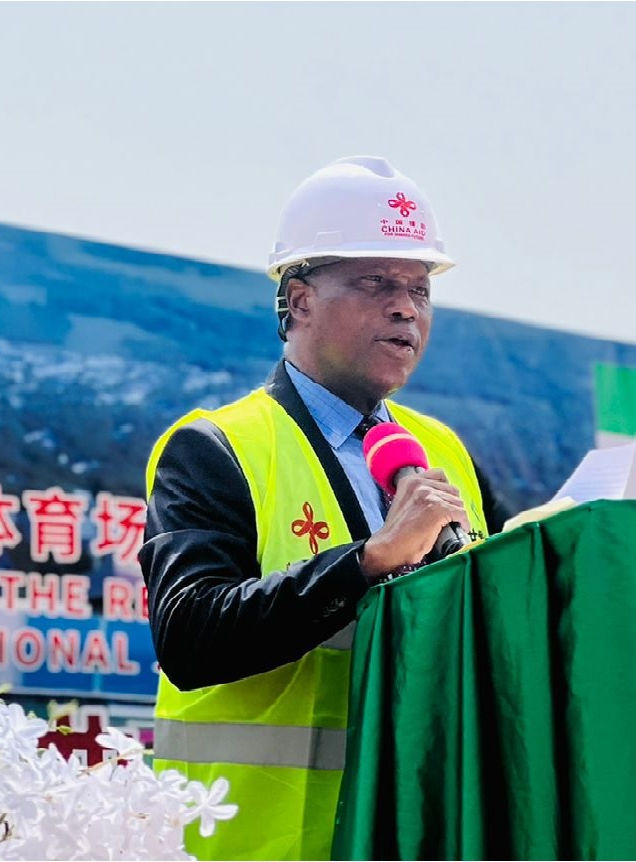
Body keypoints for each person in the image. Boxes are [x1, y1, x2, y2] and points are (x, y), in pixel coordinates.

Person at [138, 155, 506, 860]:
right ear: (300, 300)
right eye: (376, 283)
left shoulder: (446, 454)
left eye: (420, 289)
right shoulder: (217, 448)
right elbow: (190, 636)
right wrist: (369, 562)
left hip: (413, 835)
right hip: (257, 844)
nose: (406, 307)